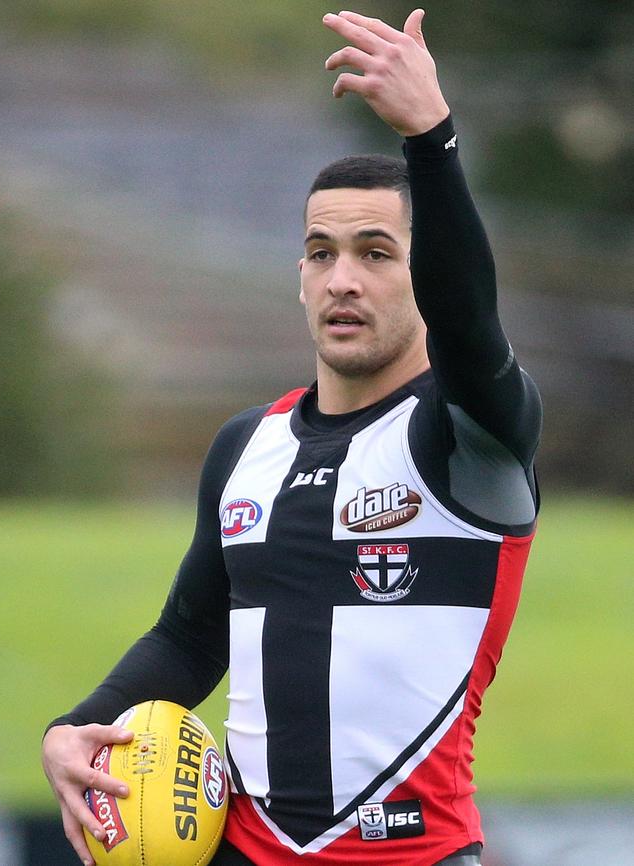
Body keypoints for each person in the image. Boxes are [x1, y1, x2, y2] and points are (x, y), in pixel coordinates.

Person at [42, 8, 542, 866]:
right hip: (245, 849)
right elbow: (191, 635)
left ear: (425, 272)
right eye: (320, 252)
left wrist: (433, 137)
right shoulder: (247, 446)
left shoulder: (471, 434)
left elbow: (470, 323)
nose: (342, 278)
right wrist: (75, 728)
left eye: (376, 252)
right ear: (299, 275)